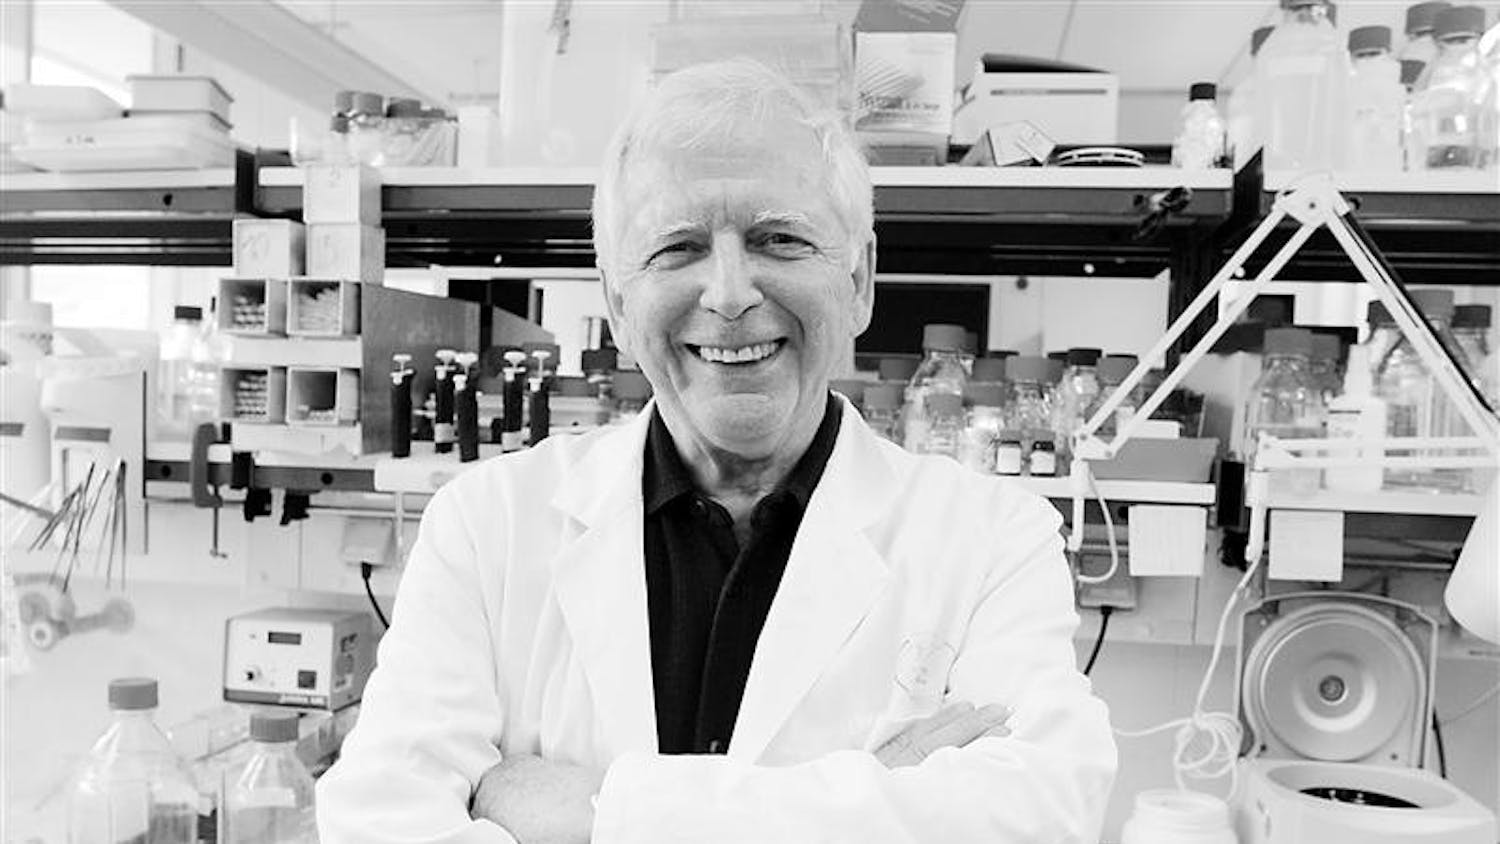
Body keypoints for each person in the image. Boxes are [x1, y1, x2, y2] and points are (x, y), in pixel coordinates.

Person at [316, 59, 1116, 844]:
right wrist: (873, 805)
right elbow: (378, 821)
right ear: (619, 303)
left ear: (860, 281)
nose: (730, 292)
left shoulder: (992, 540)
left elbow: (1039, 813)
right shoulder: (487, 524)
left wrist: (596, 816)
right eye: (677, 248)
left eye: (780, 239)